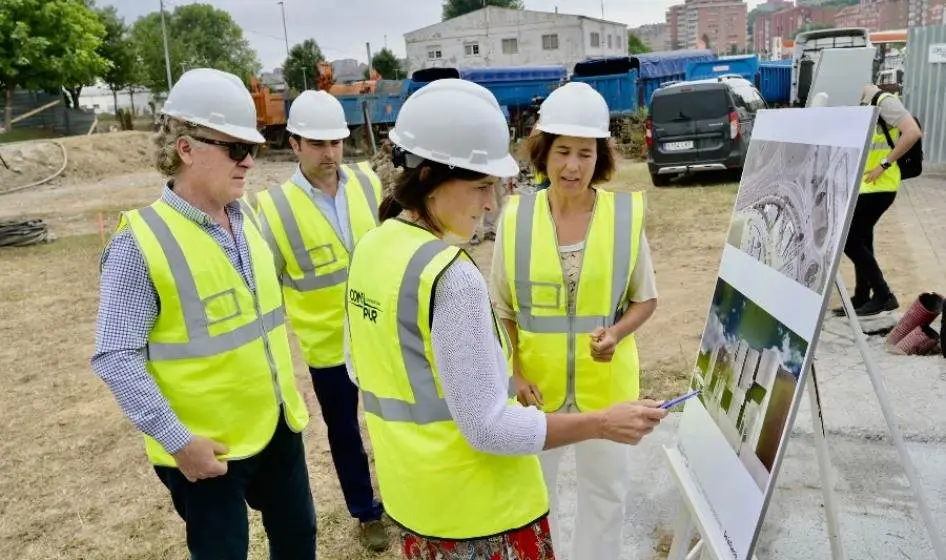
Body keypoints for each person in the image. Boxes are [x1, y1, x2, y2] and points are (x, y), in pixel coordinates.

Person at [344, 78, 668, 560]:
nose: (491, 203)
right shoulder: (450, 276)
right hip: (480, 510)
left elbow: (358, 368)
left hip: (415, 501)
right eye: (480, 186)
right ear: (431, 176)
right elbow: (488, 428)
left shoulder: (371, 248)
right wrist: (599, 421)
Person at [90, 68, 316, 559]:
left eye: (251, 148)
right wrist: (178, 441)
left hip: (277, 426)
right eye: (235, 148)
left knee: (298, 539)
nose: (250, 162)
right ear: (186, 148)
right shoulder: (138, 243)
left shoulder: (248, 216)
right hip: (205, 450)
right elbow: (115, 355)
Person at [490, 81, 659, 560]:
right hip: (535, 394)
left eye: (585, 154)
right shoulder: (516, 217)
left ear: (599, 157)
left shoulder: (624, 217)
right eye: (563, 151)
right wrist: (515, 372)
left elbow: (645, 300)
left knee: (606, 499)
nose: (572, 166)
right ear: (543, 153)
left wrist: (617, 333)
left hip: (607, 390)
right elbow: (500, 308)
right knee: (534, 499)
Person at [253, 90, 388, 551]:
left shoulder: (369, 183)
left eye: (336, 141)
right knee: (346, 433)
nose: (330, 152)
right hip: (328, 349)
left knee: (392, 422)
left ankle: (401, 494)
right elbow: (266, 285)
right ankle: (366, 512)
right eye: (318, 144)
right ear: (294, 144)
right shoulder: (273, 209)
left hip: (382, 336)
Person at [835, 84, 923, 317]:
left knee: (849, 239)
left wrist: (884, 164)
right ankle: (863, 296)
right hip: (866, 187)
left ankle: (883, 295)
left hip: (880, 186)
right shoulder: (866, 105)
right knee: (863, 239)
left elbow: (913, 132)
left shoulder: (884, 101)